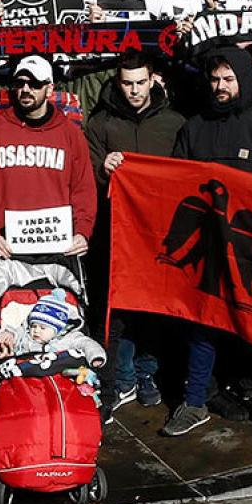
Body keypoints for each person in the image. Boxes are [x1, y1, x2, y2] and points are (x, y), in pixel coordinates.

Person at [162, 46, 252, 440]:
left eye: (228, 79)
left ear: (243, 80)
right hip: (207, 251)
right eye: (215, 79)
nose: (220, 86)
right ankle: (195, 402)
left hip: (251, 254)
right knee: (203, 327)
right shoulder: (193, 126)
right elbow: (174, 183)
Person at [83, 48, 183, 417]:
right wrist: (102, 168)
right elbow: (85, 171)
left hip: (160, 236)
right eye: (127, 84)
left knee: (154, 309)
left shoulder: (173, 122)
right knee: (118, 310)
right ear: (116, 82)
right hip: (116, 235)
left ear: (153, 79)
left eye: (141, 83)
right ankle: (121, 377)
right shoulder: (100, 124)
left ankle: (147, 374)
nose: (134, 91)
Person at [0, 55, 97, 263]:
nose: (26, 90)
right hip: (7, 246)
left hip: (59, 246)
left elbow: (84, 190)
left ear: (49, 88)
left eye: (35, 84)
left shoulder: (70, 134)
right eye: (20, 83)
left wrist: (82, 232)